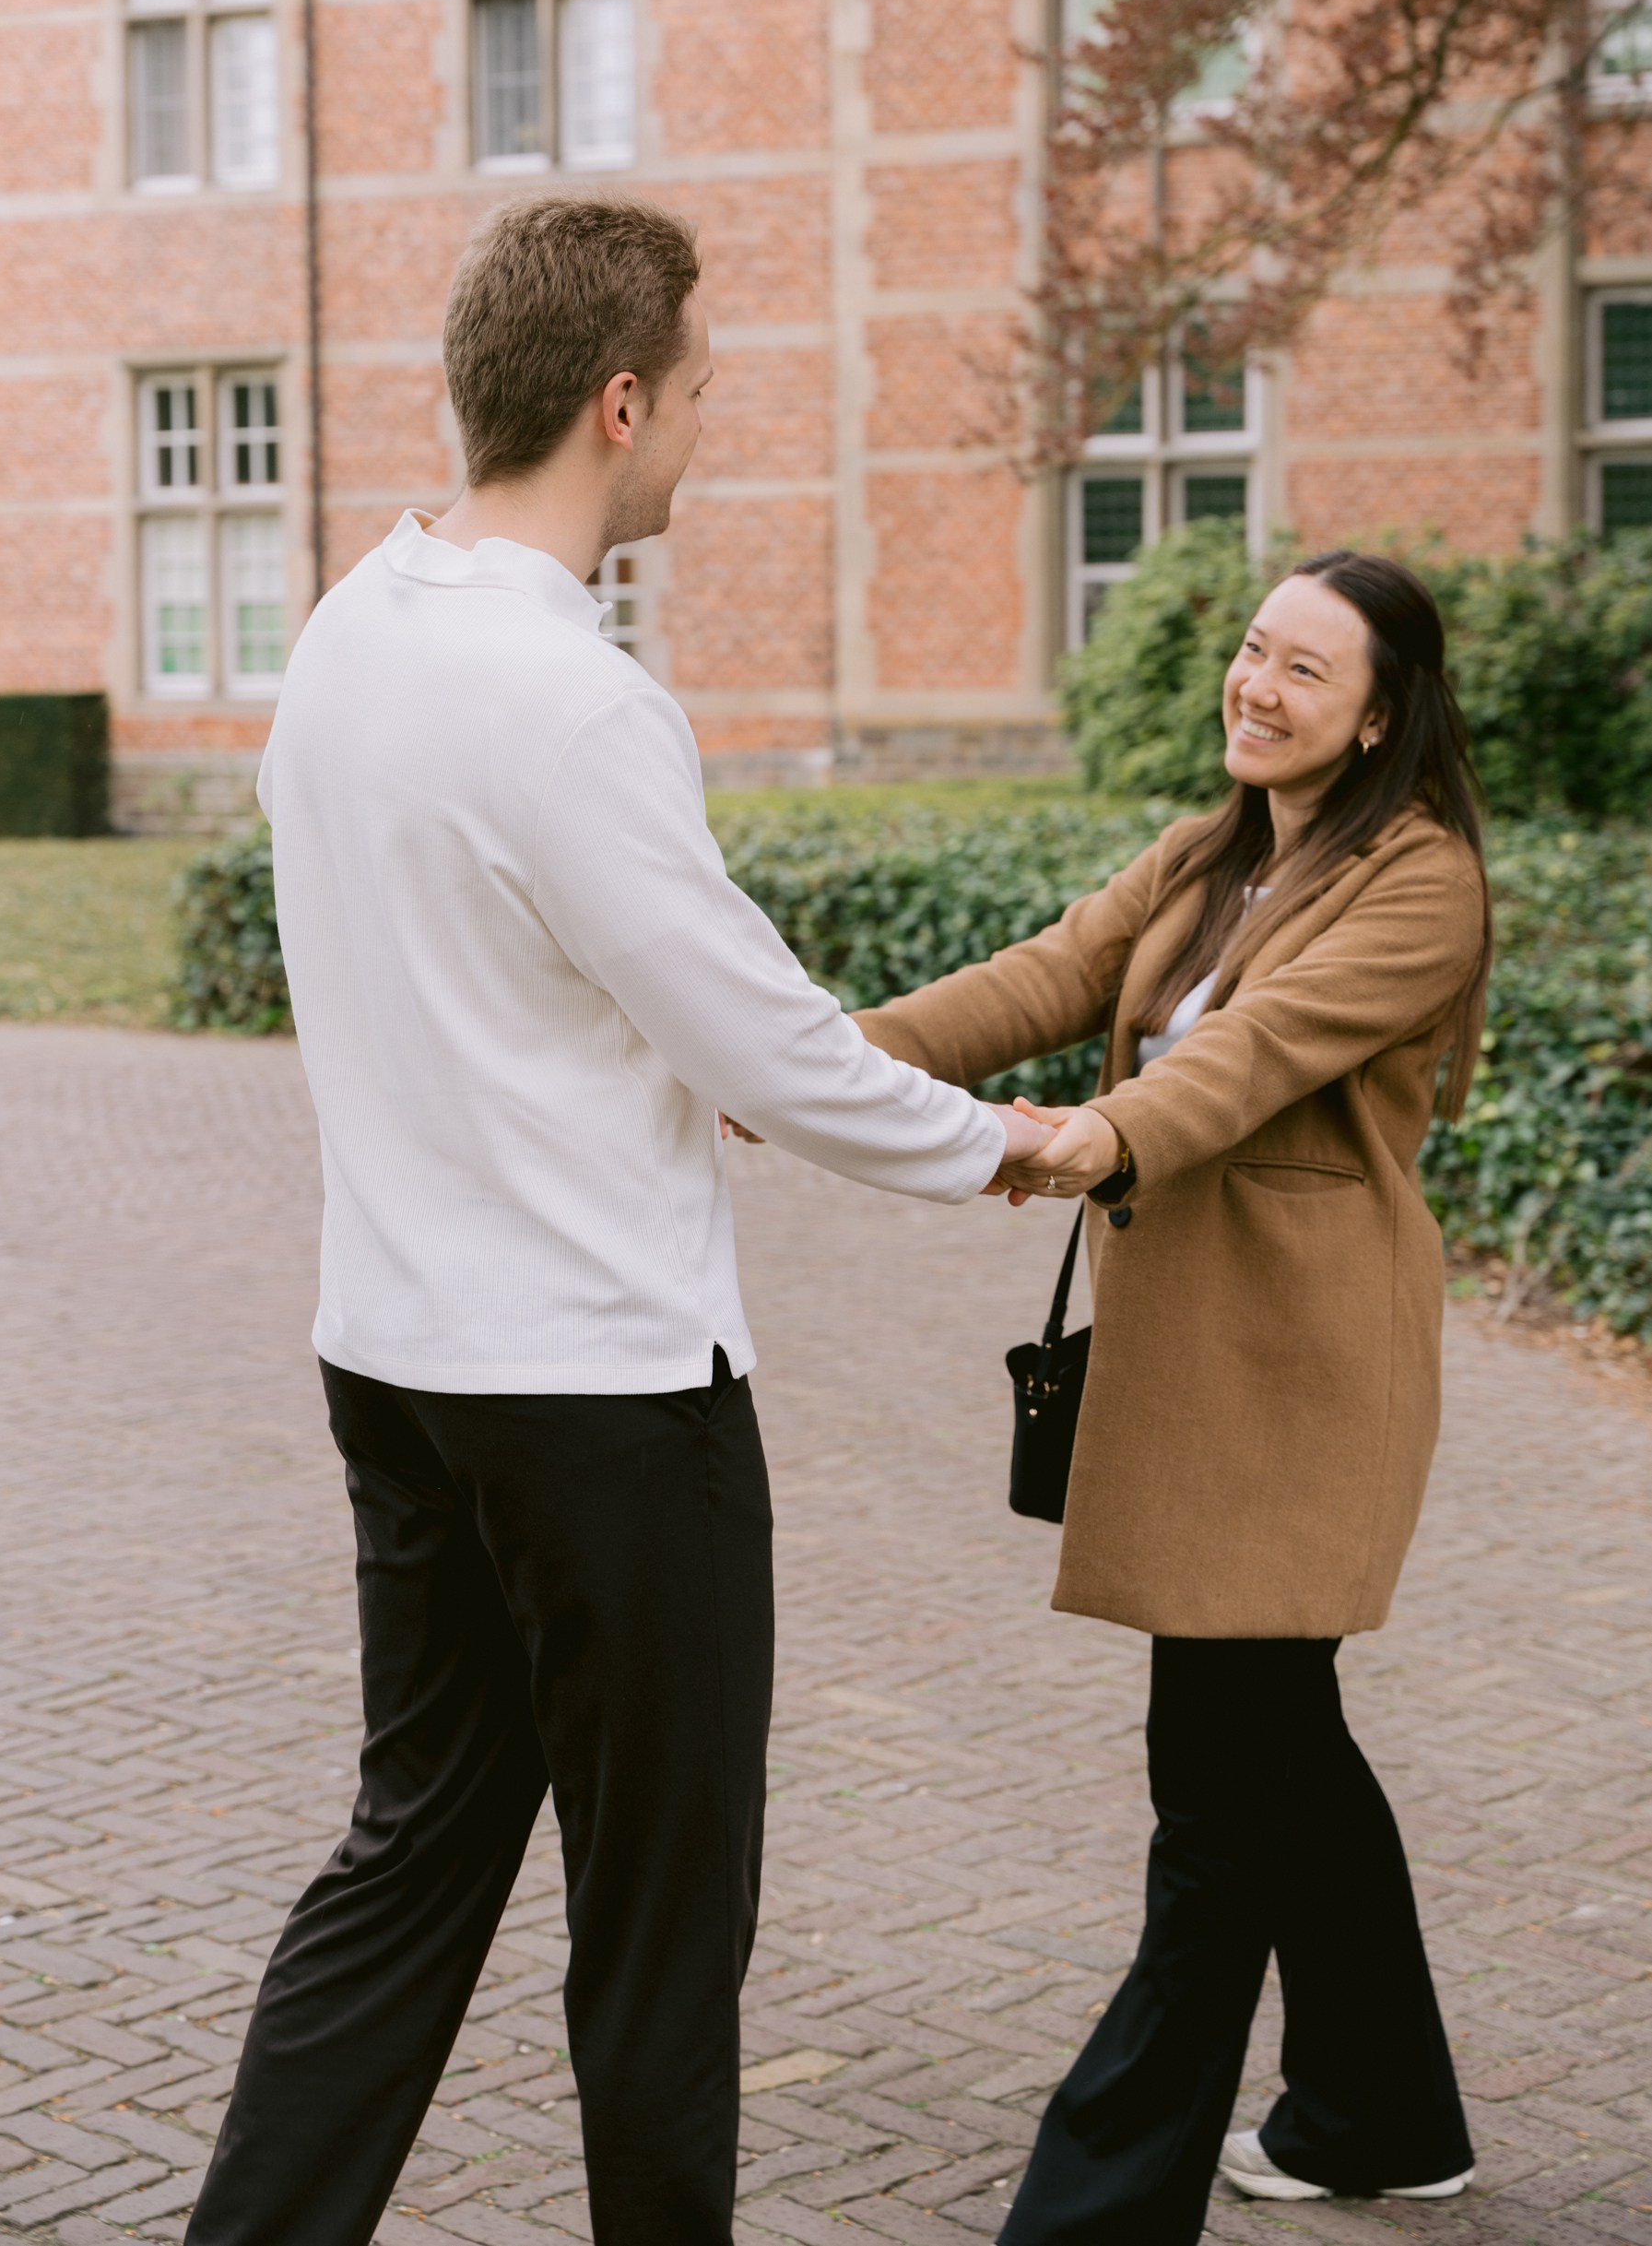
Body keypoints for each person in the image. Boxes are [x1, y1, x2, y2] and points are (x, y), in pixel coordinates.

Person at [182, 195, 1060, 2246]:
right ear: (619, 398)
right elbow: (764, 1046)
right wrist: (1006, 1145)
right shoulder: (574, 702)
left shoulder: (344, 633)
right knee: (662, 1933)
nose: (700, 440)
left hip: (394, 1361)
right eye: (696, 401)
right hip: (602, 1404)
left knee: (403, 1869)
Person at [852, 550, 1492, 2245]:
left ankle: (1090, 2214)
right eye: (1251, 649)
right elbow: (1044, 977)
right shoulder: (1212, 853)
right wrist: (822, 1065)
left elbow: (1250, 1052)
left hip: (1303, 1379)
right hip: (1204, 1378)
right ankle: (1381, 2113)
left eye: (1304, 669)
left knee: (1216, 1801)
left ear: (1376, 717)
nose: (1256, 685)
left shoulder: (1420, 885)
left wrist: (1096, 1133)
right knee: (1280, 1755)